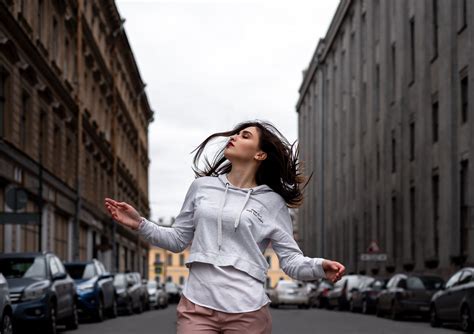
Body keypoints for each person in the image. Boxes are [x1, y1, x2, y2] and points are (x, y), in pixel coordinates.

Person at [105, 120, 345, 334]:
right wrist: (140, 224)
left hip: (248, 311)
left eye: (245, 135)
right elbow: (178, 240)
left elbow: (291, 261)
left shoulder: (273, 203)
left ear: (260, 155)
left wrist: (319, 267)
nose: (234, 137)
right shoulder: (201, 187)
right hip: (196, 307)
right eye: (236, 133)